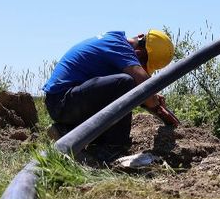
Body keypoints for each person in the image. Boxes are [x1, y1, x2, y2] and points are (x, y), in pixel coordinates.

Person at [42, 29, 179, 160]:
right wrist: (155, 105)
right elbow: (144, 85)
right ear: (140, 54)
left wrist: (149, 98)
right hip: (62, 102)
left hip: (66, 103)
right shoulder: (118, 45)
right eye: (144, 64)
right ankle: (112, 150)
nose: (142, 67)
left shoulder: (113, 43)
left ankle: (67, 131)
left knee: (126, 85)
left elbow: (135, 89)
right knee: (126, 83)